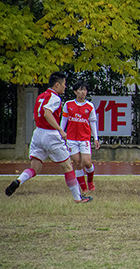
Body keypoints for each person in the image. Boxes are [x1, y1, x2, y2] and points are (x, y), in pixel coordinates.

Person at [5, 72, 93, 203]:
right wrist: (60, 131)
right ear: (57, 85)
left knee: (35, 168)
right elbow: (47, 114)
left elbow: (39, 114)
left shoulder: (41, 96)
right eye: (63, 84)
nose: (65, 87)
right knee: (68, 167)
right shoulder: (55, 98)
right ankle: (78, 198)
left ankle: (19, 180)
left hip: (38, 134)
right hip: (50, 135)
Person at [61, 80, 100, 193]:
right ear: (75, 91)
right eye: (80, 90)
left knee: (87, 162)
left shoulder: (89, 106)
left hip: (84, 138)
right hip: (72, 139)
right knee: (77, 163)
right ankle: (84, 189)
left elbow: (92, 122)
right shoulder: (68, 105)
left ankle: (90, 180)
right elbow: (64, 119)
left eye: (85, 90)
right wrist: (61, 133)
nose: (83, 92)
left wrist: (95, 138)